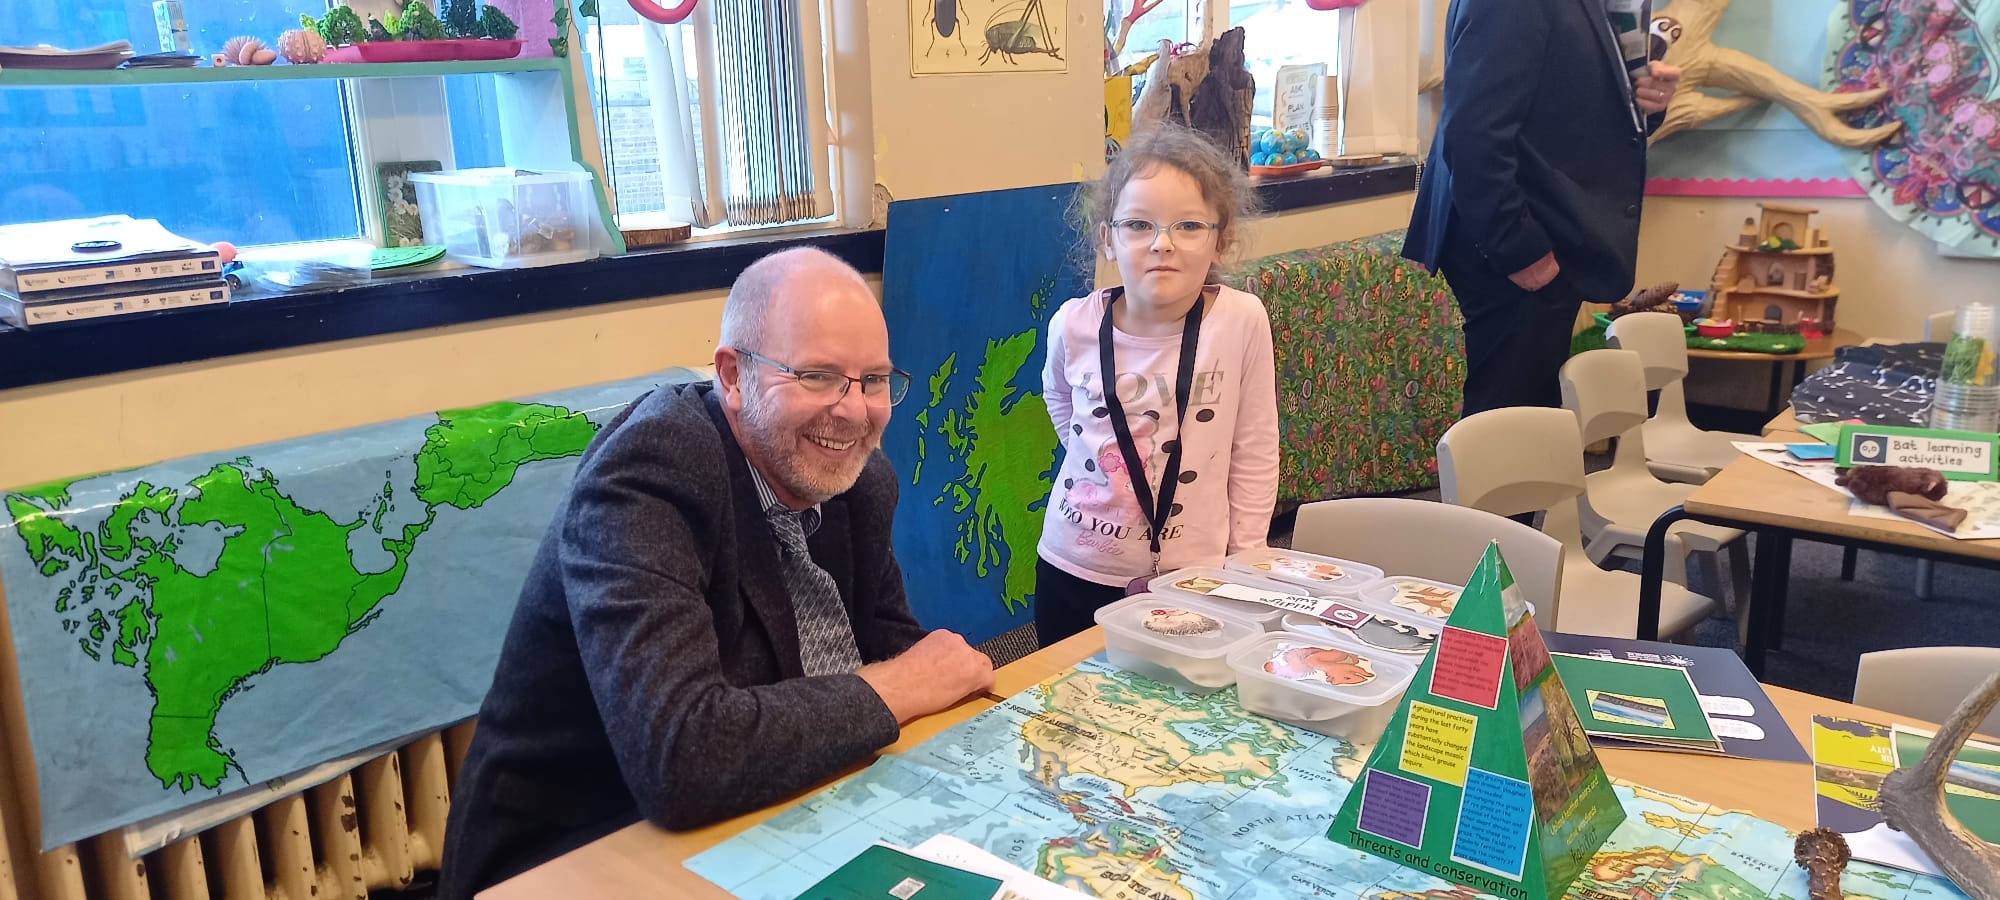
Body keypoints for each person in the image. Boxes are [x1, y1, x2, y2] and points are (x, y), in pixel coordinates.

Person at [438, 247, 996, 899]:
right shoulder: (647, 475)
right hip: (583, 854)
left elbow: (900, 652)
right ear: (733, 376)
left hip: (775, 819)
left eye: (873, 380)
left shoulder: (860, 480)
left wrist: (911, 683)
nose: (854, 410)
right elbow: (680, 756)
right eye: (817, 376)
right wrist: (897, 685)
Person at [1033, 124, 1281, 645]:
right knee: (1069, 704)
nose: (1162, 244)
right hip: (1074, 564)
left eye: (1188, 226)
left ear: (1223, 239)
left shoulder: (1240, 321)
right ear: (1107, 238)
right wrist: (1105, 465)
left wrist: (1248, 557)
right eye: (1139, 225)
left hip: (1195, 573)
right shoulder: (1072, 325)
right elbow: (1059, 398)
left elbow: (1255, 445)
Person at [1403, 0, 1683, 415]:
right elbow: (1474, 132)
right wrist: (1519, 250)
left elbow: (1573, 105)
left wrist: (1645, 105)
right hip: (1517, 238)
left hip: (1550, 229)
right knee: (1510, 427)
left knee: (1533, 420)